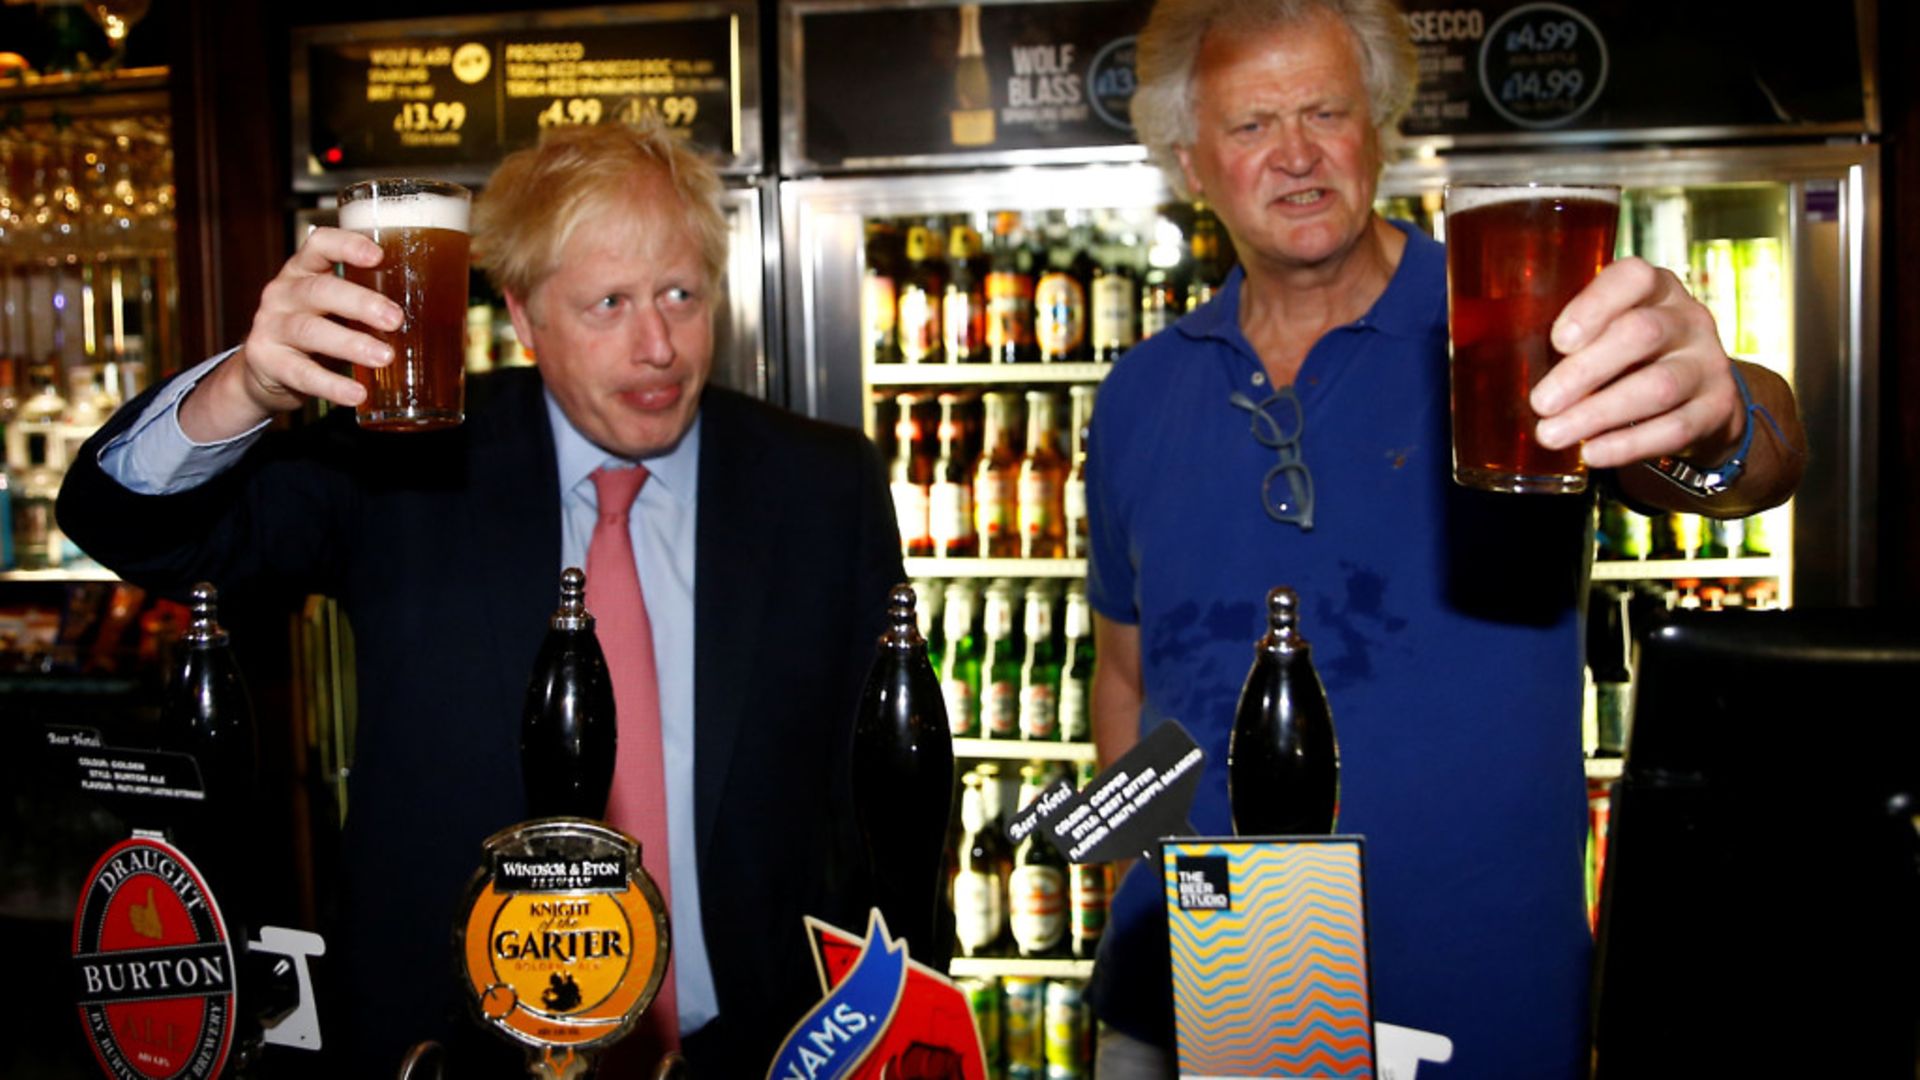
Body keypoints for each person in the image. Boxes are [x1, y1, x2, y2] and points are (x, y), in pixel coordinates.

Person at [57, 120, 902, 1076]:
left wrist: (907, 1012)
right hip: (457, 1052)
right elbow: (127, 525)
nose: (659, 344)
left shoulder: (822, 485)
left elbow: (892, 792)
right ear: (525, 315)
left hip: (767, 1048)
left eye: (681, 294)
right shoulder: (409, 467)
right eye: (608, 303)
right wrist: (246, 386)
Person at [1084, 1, 1805, 1077]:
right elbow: (1127, 673)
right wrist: (1123, 885)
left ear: (1378, 127)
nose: (1296, 154)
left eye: (1326, 110)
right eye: (1251, 125)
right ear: (1192, 163)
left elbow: (1758, 463)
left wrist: (1716, 416)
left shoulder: (1508, 319)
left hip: (1476, 987)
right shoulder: (1138, 391)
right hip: (1205, 974)